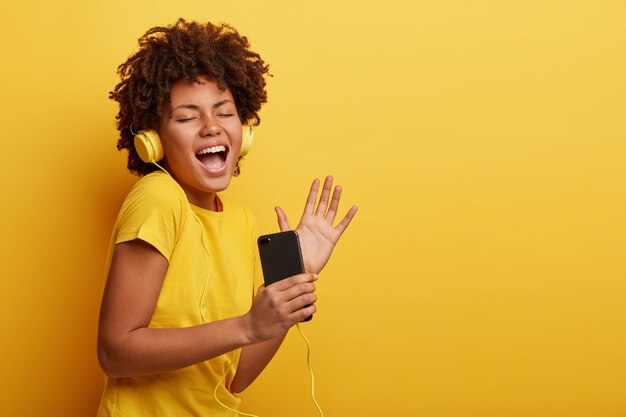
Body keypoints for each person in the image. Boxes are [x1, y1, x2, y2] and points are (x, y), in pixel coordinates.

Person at [96, 19, 357, 416]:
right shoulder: (158, 198)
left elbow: (234, 379)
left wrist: (290, 285)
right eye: (187, 117)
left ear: (244, 129)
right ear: (153, 141)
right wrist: (247, 326)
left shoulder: (241, 222)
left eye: (225, 112)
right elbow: (115, 352)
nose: (211, 127)